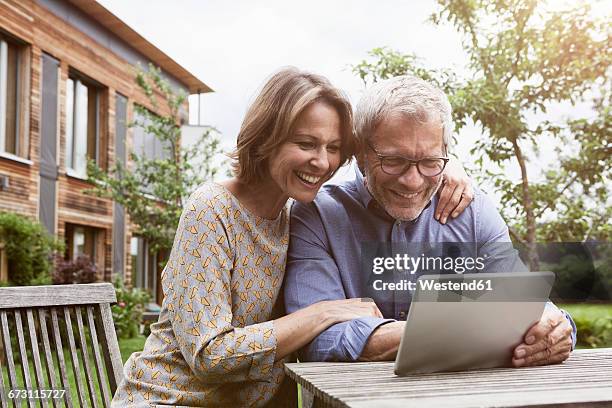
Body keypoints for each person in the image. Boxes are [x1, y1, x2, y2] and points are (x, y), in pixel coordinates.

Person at [111, 68, 472, 407]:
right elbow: (209, 356)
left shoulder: (296, 214)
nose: (321, 161)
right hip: (170, 399)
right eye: (306, 143)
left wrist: (446, 166)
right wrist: (323, 313)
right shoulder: (211, 210)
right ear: (266, 138)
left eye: (333, 148)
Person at [284, 75, 576, 367]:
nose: (412, 182)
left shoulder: (474, 212)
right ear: (360, 152)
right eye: (393, 160)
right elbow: (317, 340)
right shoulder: (317, 215)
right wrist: (465, 330)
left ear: (447, 154)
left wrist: (554, 327)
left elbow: (521, 300)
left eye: (430, 162)